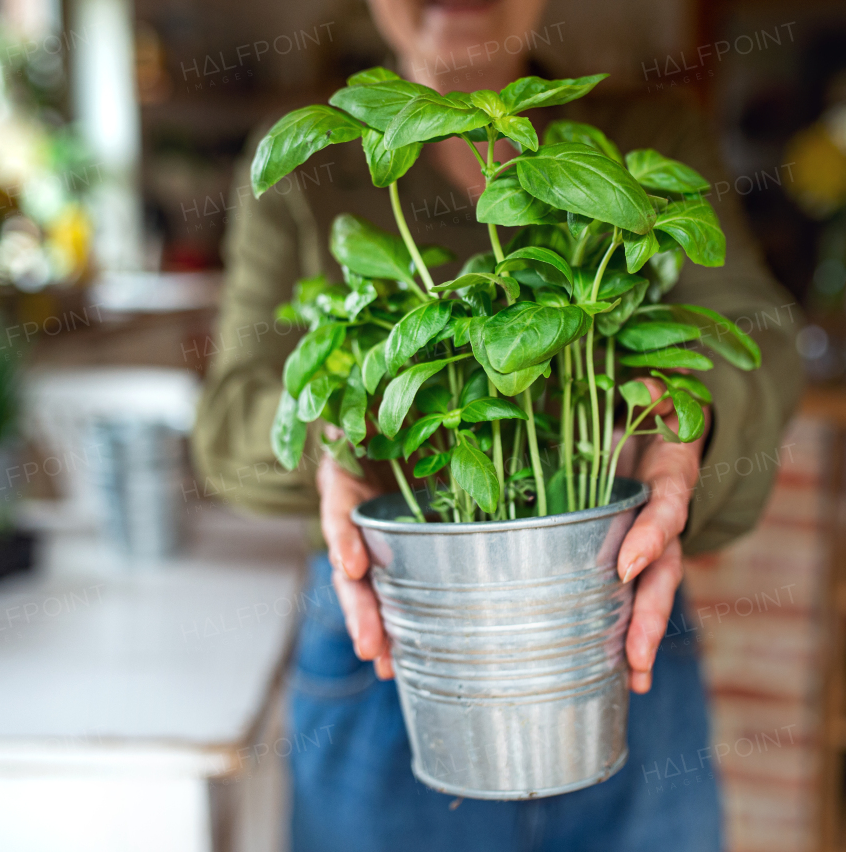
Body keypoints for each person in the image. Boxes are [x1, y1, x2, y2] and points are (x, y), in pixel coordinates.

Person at [193, 1, 803, 849]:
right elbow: (229, 421)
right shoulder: (309, 163)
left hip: (610, 608)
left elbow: (755, 335)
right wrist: (336, 435)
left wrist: (679, 426)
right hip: (391, 641)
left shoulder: (645, 132)